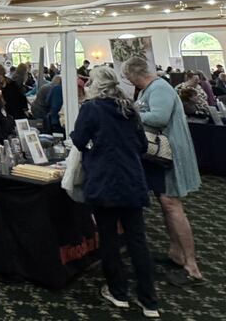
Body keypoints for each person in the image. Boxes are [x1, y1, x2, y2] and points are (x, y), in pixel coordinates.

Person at [71, 66, 159, 317]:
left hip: (104, 180)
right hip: (132, 179)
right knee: (137, 240)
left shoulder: (91, 108)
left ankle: (118, 291)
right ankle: (149, 300)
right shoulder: (129, 109)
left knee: (109, 237)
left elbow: (78, 140)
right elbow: (142, 145)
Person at [123, 56, 204, 286]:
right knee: (166, 204)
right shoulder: (156, 87)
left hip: (168, 155)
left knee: (172, 205)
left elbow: (158, 118)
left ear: (134, 74)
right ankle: (177, 253)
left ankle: (191, 266)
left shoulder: (159, 88)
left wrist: (132, 113)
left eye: (128, 77)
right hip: (161, 156)